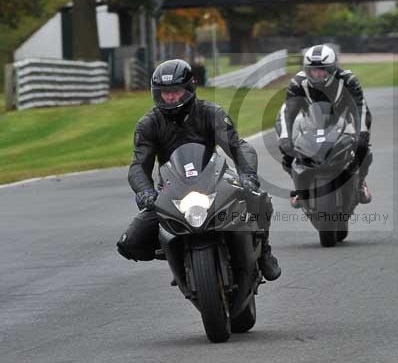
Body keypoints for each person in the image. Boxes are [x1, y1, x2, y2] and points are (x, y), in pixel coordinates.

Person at [116, 59, 281, 281]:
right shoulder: (148, 124)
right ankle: (181, 258)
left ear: (188, 88)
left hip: (214, 182)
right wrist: (144, 191)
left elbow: (237, 146)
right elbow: (138, 165)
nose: (170, 97)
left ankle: (264, 253)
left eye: (175, 91)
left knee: (259, 199)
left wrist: (248, 175)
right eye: (165, 93)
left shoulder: (211, 112)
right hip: (171, 191)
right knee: (130, 243)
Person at [278, 44, 372, 208]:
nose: (317, 74)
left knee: (365, 150)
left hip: (343, 120)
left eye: (322, 70)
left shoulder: (348, 80)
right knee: (287, 154)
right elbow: (288, 111)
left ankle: (360, 184)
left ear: (332, 68)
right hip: (310, 122)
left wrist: (362, 134)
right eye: (313, 70)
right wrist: (285, 138)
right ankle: (300, 189)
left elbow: (361, 107)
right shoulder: (298, 82)